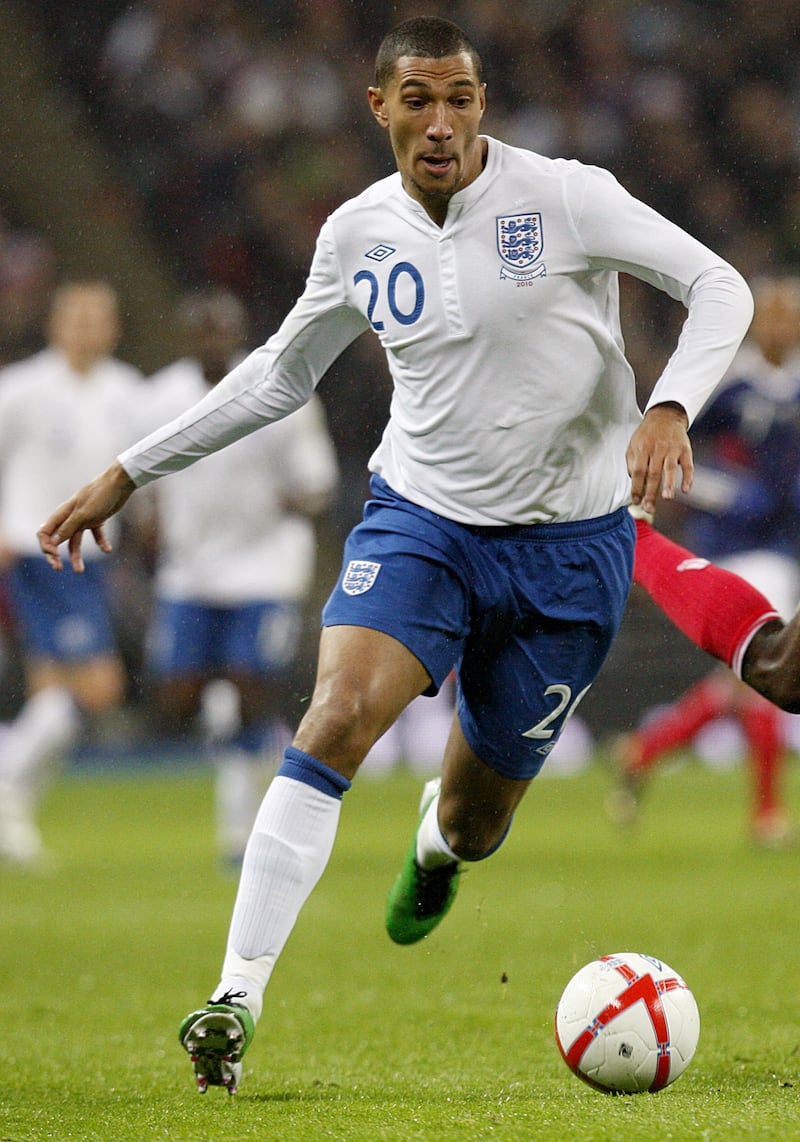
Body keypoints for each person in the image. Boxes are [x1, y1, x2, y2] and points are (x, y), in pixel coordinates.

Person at [37, 18, 753, 1094]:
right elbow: (281, 373)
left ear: (482, 105)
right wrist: (131, 469)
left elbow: (718, 287)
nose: (441, 122)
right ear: (379, 107)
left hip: (570, 547)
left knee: (474, 818)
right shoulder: (355, 234)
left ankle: (433, 846)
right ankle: (235, 996)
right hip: (423, 522)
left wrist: (666, 405)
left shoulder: (561, 194)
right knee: (332, 716)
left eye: (460, 99)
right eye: (418, 99)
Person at [141, 288, 339, 865]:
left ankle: (239, 823)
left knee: (251, 687)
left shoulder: (279, 387)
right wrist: (148, 519)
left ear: (237, 332)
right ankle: (225, 727)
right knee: (178, 694)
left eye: (219, 329)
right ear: (185, 338)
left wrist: (296, 497)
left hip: (265, 567)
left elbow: (318, 481)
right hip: (191, 570)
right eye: (200, 330)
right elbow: (143, 475)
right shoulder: (158, 397)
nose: (211, 340)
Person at [611, 278, 800, 845]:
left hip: (787, 546)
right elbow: (674, 447)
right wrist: (724, 491)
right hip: (737, 546)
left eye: (788, 317)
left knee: (748, 677)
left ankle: (646, 750)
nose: (780, 328)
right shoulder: (732, 386)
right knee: (764, 668)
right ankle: (766, 813)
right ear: (755, 324)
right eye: (771, 317)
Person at [0, 281, 143, 864]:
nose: (87, 328)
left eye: (97, 318)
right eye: (76, 317)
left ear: (112, 327)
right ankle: (8, 794)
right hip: (36, 549)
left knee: (52, 690)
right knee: (99, 686)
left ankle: (14, 816)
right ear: (55, 324)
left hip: (93, 556)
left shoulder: (129, 392)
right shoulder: (22, 388)